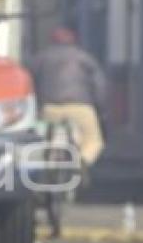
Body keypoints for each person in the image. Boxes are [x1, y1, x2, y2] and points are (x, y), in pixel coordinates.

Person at [29, 26, 108, 167]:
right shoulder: (85, 58)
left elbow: (29, 83)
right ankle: (82, 162)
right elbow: (100, 86)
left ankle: (49, 167)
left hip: (50, 109)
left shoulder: (40, 59)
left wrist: (35, 108)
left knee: (44, 142)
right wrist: (101, 110)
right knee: (94, 142)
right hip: (81, 108)